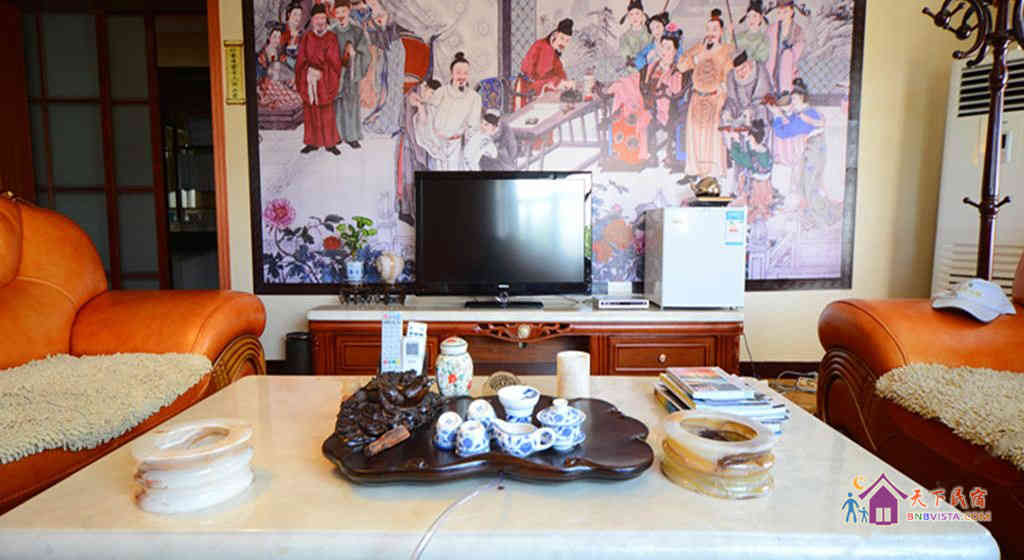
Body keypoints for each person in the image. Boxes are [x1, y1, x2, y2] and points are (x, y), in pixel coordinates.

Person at [677, 9, 734, 183]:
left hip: (715, 96)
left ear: (721, 31)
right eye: (708, 29)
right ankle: (693, 170)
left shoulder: (726, 50)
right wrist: (695, 58)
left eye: (715, 29)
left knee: (712, 134)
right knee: (694, 132)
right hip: (697, 96)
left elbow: (729, 75)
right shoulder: (699, 48)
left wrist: (722, 96)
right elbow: (681, 66)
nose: (711, 33)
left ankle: (712, 172)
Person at [295, 4, 343, 154]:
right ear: (312, 20)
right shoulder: (307, 38)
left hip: (325, 80)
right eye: (317, 18)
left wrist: (321, 72)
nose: (320, 22)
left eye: (322, 18)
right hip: (309, 79)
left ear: (326, 20)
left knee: (327, 113)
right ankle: (312, 143)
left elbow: (335, 62)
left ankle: (330, 143)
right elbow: (301, 60)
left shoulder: (331, 38)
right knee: (310, 112)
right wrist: (308, 71)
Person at [396, 79, 442, 224]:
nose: (431, 97)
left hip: (421, 145)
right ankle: (406, 211)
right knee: (408, 178)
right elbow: (411, 123)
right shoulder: (413, 96)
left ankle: (417, 212)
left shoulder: (427, 103)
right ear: (425, 87)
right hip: (409, 144)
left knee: (419, 179)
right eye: (431, 93)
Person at [429, 52, 483, 170]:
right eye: (458, 72)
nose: (462, 76)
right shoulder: (441, 92)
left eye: (465, 73)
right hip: (437, 143)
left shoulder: (474, 98)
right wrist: (433, 139)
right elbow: (430, 115)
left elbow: (473, 125)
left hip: (457, 144)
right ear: (451, 73)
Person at [331, 0, 371, 149]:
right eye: (337, 12)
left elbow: (365, 53)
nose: (341, 15)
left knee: (351, 103)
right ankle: (337, 135)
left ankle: (352, 136)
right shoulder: (331, 31)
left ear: (349, 11)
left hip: (351, 72)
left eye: (343, 11)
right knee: (336, 104)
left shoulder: (357, 31)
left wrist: (354, 54)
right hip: (335, 73)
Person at [641, 33, 685, 166]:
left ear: (675, 51)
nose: (665, 51)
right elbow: (646, 84)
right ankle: (648, 154)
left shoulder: (676, 69)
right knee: (640, 119)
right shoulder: (653, 66)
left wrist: (666, 81)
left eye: (669, 48)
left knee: (657, 120)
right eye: (663, 47)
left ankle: (669, 154)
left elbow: (676, 90)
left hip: (667, 107)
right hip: (650, 104)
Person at [363, 5, 406, 136]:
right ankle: (384, 118)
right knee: (382, 86)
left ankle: (393, 121)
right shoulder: (371, 21)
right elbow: (374, 42)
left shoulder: (393, 18)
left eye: (381, 15)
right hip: (384, 54)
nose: (378, 18)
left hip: (395, 52)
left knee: (394, 87)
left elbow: (393, 35)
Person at [519, 18, 576, 100]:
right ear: (555, 35)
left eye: (567, 41)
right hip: (528, 91)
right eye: (562, 38)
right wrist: (559, 82)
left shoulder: (554, 51)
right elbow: (541, 75)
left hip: (539, 90)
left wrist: (565, 82)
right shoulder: (544, 47)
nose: (563, 43)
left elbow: (559, 71)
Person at [724, 50, 773, 129]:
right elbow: (731, 100)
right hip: (739, 115)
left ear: (749, 63)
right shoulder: (731, 76)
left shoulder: (760, 69)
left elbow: (763, 96)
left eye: (743, 68)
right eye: (737, 71)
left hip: (758, 112)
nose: (741, 73)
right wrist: (727, 111)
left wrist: (750, 111)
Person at [767, 0, 806, 94]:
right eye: (779, 12)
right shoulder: (771, 29)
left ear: (792, 12)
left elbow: (799, 49)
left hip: (789, 68)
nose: (782, 15)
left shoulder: (797, 30)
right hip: (772, 67)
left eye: (785, 12)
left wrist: (787, 53)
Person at [736, 0, 771, 67]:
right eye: (749, 16)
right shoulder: (739, 36)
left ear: (760, 18)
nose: (751, 20)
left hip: (756, 70)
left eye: (755, 16)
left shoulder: (764, 39)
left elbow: (763, 58)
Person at [619, 0, 650, 70]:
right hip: (631, 70)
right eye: (631, 14)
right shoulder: (624, 37)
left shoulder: (650, 34)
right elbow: (626, 54)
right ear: (628, 17)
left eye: (637, 13)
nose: (634, 17)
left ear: (643, 15)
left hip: (649, 68)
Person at [279, 2, 305, 70]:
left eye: (300, 15)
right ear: (289, 14)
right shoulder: (281, 29)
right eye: (295, 14)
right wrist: (290, 36)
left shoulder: (301, 34)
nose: (297, 18)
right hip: (282, 66)